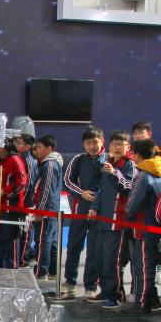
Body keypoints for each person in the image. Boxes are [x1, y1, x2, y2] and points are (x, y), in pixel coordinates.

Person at [87, 131, 135, 308]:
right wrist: (93, 207)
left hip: (118, 221)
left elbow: (129, 187)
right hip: (103, 220)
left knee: (112, 260)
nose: (117, 147)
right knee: (98, 257)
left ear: (128, 147)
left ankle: (115, 295)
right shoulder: (109, 165)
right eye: (114, 143)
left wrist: (115, 172)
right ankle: (105, 291)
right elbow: (101, 191)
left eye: (121, 144)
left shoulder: (129, 165)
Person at [62, 126, 106, 298]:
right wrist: (82, 193)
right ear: (83, 144)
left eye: (95, 142)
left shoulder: (109, 160)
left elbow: (109, 185)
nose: (92, 146)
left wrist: (98, 198)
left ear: (102, 141)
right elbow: (67, 180)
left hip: (100, 212)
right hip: (79, 210)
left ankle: (90, 286)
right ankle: (70, 281)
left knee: (94, 250)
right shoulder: (78, 160)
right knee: (73, 246)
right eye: (88, 143)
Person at [121, 138, 161, 314]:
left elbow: (132, 205)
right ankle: (152, 299)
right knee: (151, 263)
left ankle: (144, 302)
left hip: (144, 226)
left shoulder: (144, 174)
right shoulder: (158, 169)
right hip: (156, 225)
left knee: (145, 265)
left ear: (137, 154)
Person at [0, 138, 28, 269]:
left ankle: (11, 270)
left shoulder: (15, 160)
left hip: (12, 207)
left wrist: (4, 191)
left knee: (11, 239)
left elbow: (22, 183)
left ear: (2, 147)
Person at [31, 135, 62, 280]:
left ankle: (41, 272)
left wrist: (40, 211)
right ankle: (52, 271)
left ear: (49, 149)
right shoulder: (47, 164)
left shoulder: (49, 165)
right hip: (50, 209)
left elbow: (46, 190)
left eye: (39, 147)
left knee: (44, 240)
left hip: (46, 210)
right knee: (50, 240)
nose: (36, 150)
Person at [16, 134, 38, 266]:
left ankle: (25, 258)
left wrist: (22, 205)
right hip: (23, 203)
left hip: (27, 204)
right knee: (22, 231)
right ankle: (26, 255)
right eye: (17, 142)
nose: (17, 145)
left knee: (26, 232)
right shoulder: (20, 158)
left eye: (20, 143)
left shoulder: (29, 161)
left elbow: (29, 185)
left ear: (28, 147)